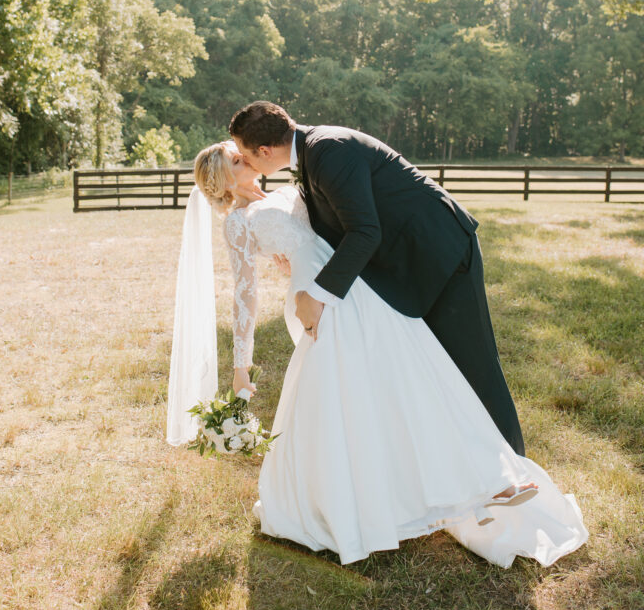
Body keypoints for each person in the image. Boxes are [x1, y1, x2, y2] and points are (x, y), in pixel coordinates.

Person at [173, 137, 588, 568]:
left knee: (412, 378)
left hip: (358, 286)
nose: (249, 158)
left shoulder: (290, 188)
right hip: (318, 300)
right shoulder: (237, 223)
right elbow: (245, 297)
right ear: (224, 180)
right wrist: (241, 367)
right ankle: (366, 501)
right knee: (350, 394)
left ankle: (486, 480)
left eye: (243, 152)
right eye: (236, 160)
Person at [229, 102, 525, 455]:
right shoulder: (311, 153)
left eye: (246, 156)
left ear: (264, 151)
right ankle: (472, 464)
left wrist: (316, 295)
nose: (246, 163)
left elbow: (364, 231)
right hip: (407, 260)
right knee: (437, 367)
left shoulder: (327, 150)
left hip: (439, 251)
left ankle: (514, 466)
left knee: (474, 363)